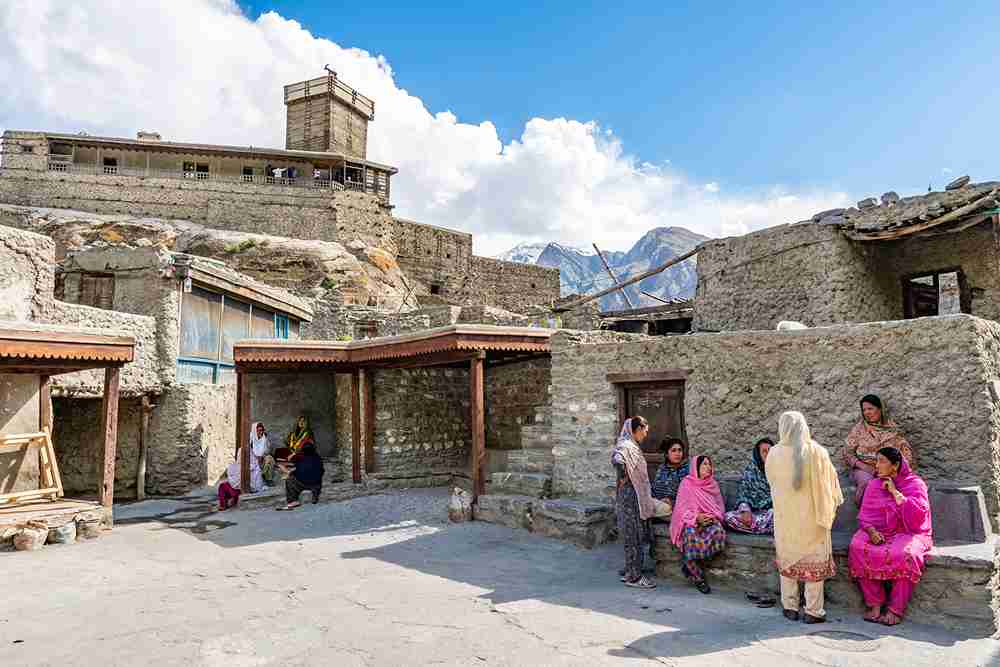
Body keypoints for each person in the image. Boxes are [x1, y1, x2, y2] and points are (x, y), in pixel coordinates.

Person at [766, 411, 843, 624]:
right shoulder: (818, 452)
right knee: (814, 564)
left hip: (787, 519)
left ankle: (790, 607)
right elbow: (831, 486)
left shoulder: (774, 453)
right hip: (813, 520)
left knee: (789, 560)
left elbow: (771, 482)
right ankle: (813, 611)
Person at [848, 446, 932, 626]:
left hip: (908, 532)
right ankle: (875, 604)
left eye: (881, 461)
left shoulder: (915, 484)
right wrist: (871, 532)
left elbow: (918, 518)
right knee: (857, 547)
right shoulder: (874, 484)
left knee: (907, 555)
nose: (876, 466)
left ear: (895, 466)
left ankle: (895, 609)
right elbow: (865, 516)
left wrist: (895, 492)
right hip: (878, 531)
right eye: (876, 460)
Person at [612, 416, 671, 589]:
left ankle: (632, 571)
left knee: (634, 535)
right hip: (631, 497)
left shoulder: (631, 445)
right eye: (644, 430)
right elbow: (617, 459)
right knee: (634, 536)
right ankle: (634, 578)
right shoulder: (626, 445)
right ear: (636, 430)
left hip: (635, 496)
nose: (646, 434)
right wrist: (623, 476)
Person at [844, 394, 914, 506]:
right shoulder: (859, 429)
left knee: (898, 484)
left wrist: (894, 468)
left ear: (880, 409)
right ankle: (867, 516)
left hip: (888, 468)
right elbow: (847, 453)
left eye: (870, 408)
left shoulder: (891, 428)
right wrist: (866, 467)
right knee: (869, 483)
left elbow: (904, 450)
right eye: (864, 410)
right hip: (864, 469)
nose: (867, 412)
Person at [669, 454, 726, 594]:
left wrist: (711, 517)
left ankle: (690, 564)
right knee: (689, 535)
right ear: (696, 467)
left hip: (709, 521)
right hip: (691, 521)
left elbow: (720, 508)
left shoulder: (713, 484)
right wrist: (696, 518)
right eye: (704, 464)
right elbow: (680, 510)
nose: (708, 467)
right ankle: (698, 577)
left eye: (709, 464)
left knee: (718, 533)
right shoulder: (686, 483)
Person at [724, 437, 775, 534]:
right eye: (764, 451)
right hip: (754, 515)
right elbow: (744, 494)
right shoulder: (750, 472)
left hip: (770, 514)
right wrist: (745, 511)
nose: (768, 454)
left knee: (774, 516)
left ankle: (755, 528)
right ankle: (765, 528)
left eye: (770, 451)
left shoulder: (779, 471)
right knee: (728, 517)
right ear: (758, 454)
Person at [278, 442, 325, 510]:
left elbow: (290, 460)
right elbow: (322, 471)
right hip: (316, 484)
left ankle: (293, 501)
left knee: (289, 480)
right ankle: (315, 495)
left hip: (303, 483)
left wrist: (289, 471)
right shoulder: (318, 458)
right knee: (317, 480)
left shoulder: (300, 457)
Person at [651, 437, 690, 505]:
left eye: (680, 450)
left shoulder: (687, 470)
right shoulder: (662, 469)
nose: (677, 454)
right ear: (666, 454)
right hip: (660, 505)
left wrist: (672, 502)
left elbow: (690, 495)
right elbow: (655, 489)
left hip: (681, 507)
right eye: (673, 450)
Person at [250, 422, 276, 486]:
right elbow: (248, 450)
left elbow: (268, 450)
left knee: (270, 459)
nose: (261, 432)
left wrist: (263, 455)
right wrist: (255, 456)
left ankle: (268, 479)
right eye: (259, 431)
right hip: (253, 458)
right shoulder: (251, 438)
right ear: (255, 431)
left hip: (262, 457)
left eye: (262, 430)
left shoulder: (265, 438)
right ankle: (260, 476)